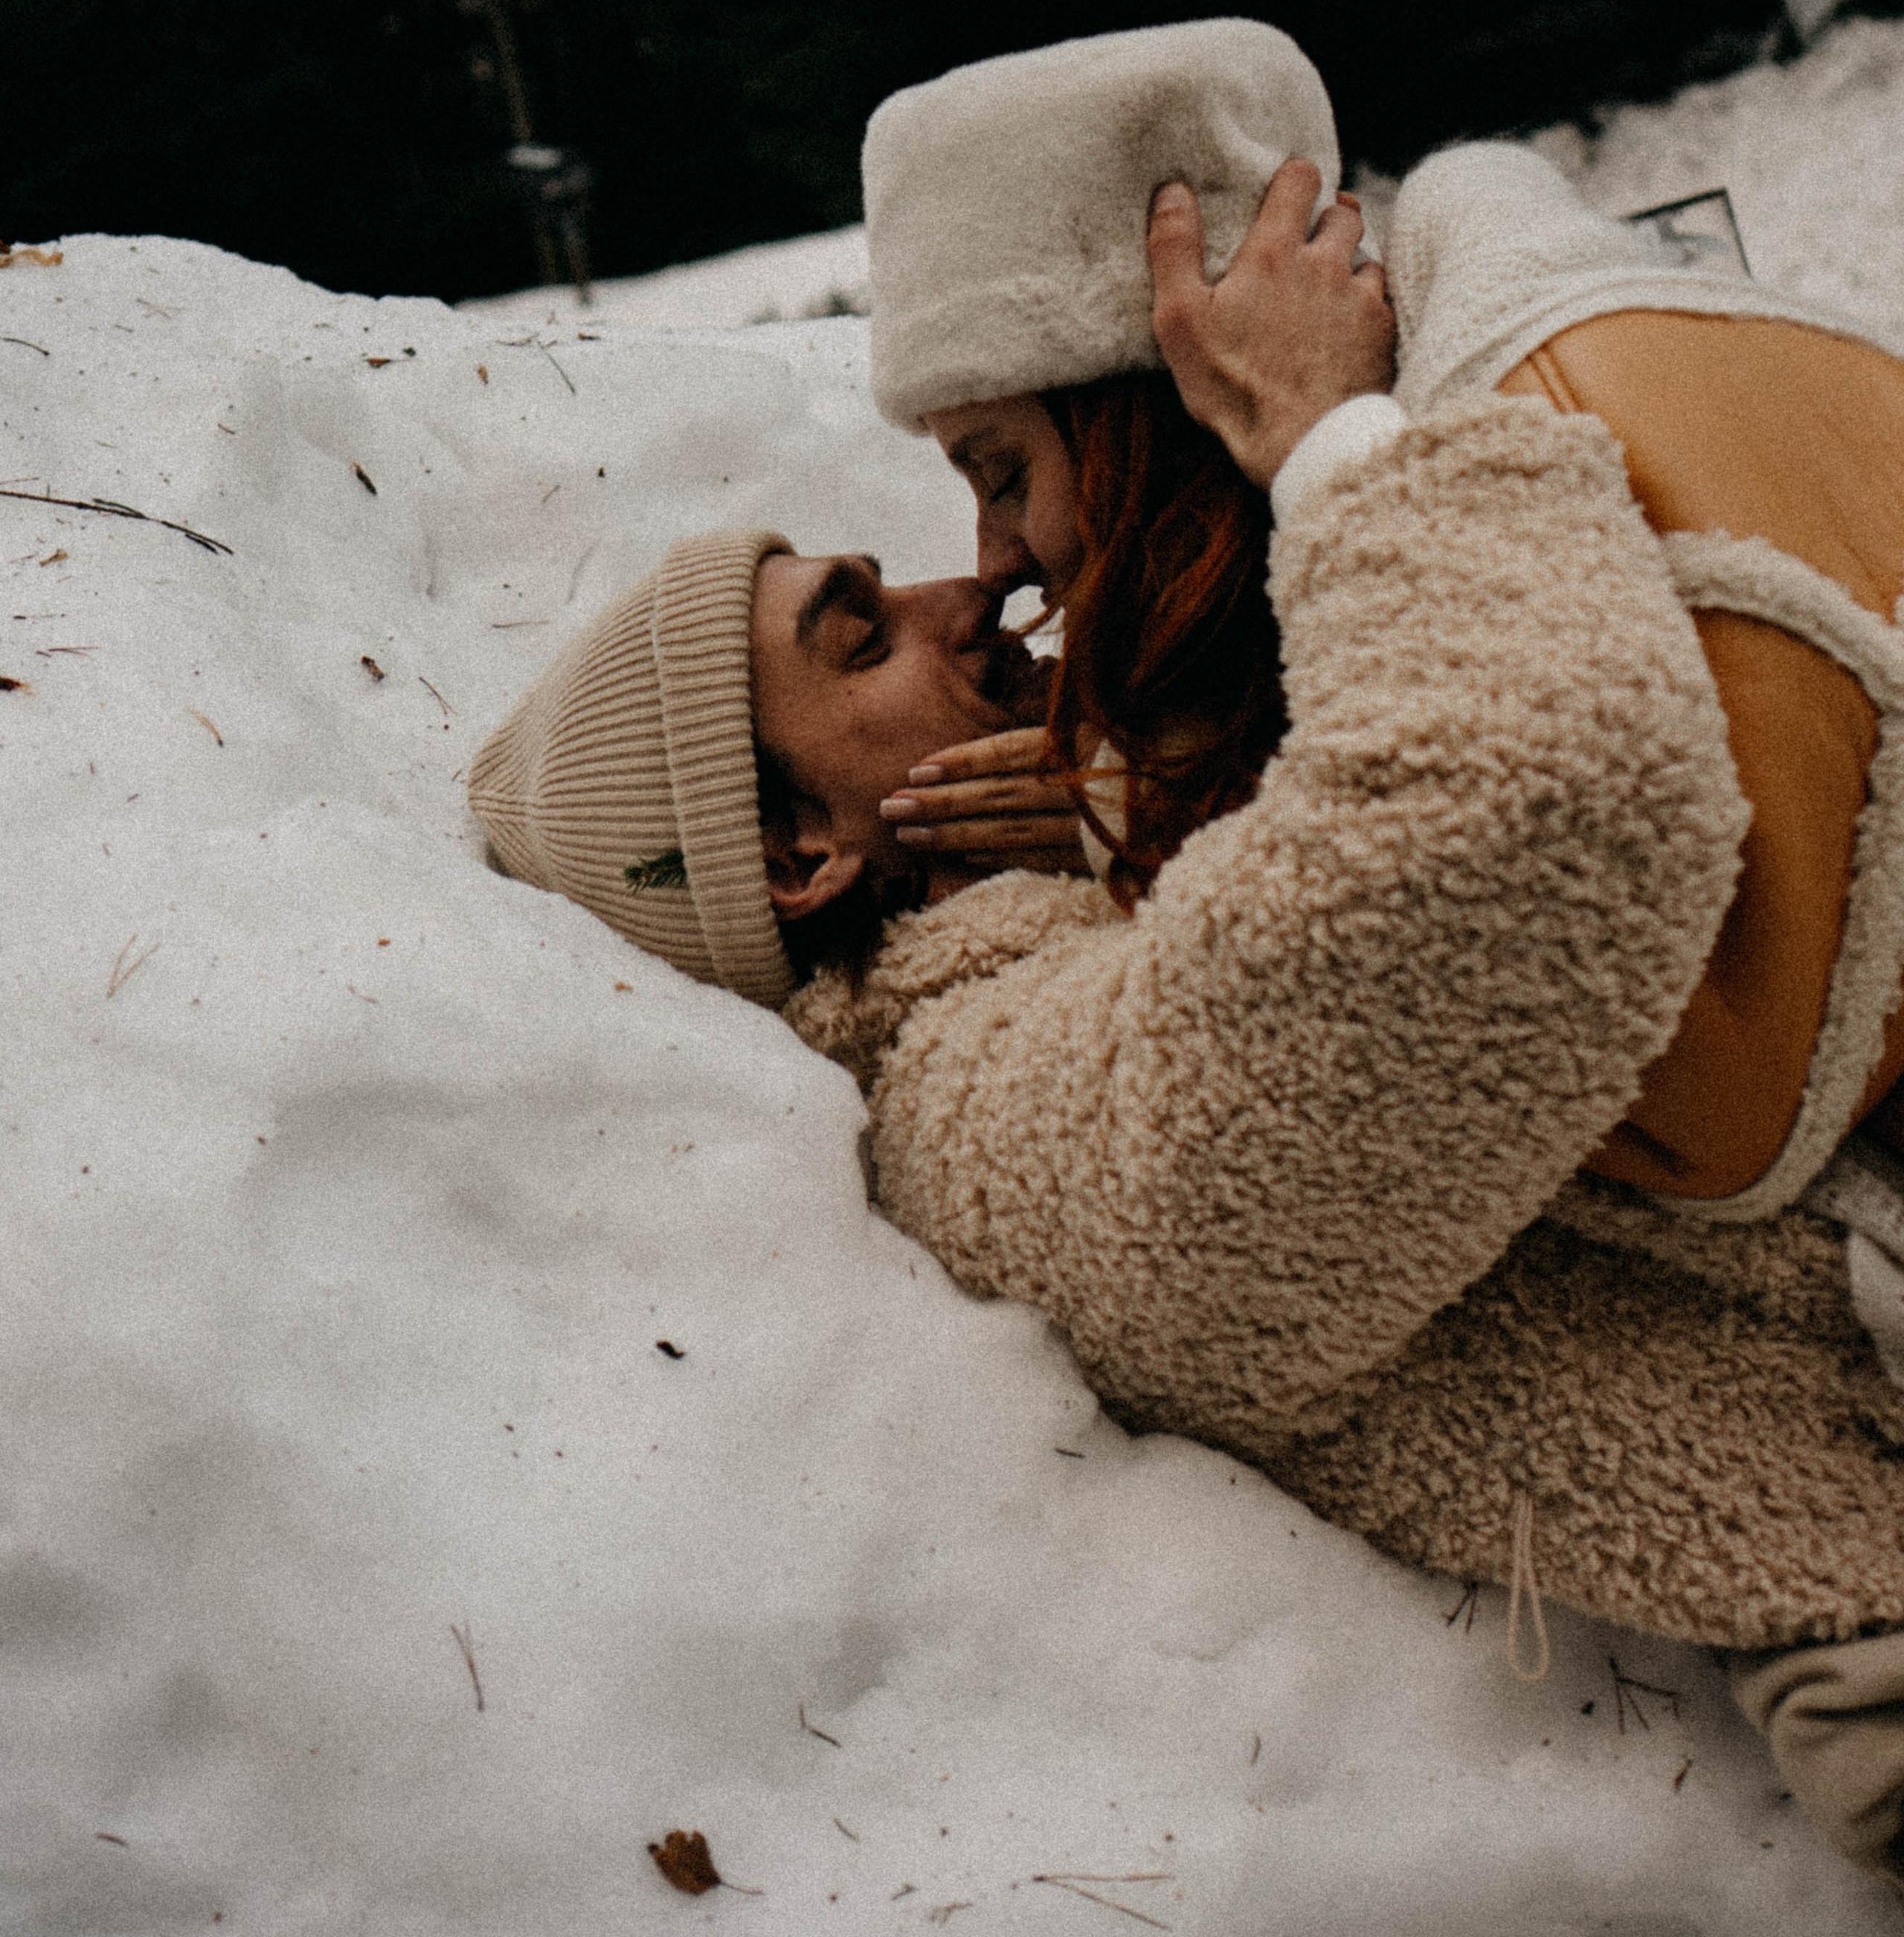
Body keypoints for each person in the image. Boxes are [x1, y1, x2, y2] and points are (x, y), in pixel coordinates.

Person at [471, 199, 1904, 1883]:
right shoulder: (987, 1113)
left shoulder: (1094, 871)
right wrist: (1333, 439)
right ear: (799, 857)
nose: (980, 591)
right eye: (860, 636)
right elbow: (1525, 816)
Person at [860, 16, 1904, 1222]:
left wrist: (1326, 450)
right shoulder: (1470, 456)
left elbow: (1708, 1096)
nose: (990, 565)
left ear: (1151, 420)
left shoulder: (1561, 424)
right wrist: (1184, 785)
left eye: (1001, 473)